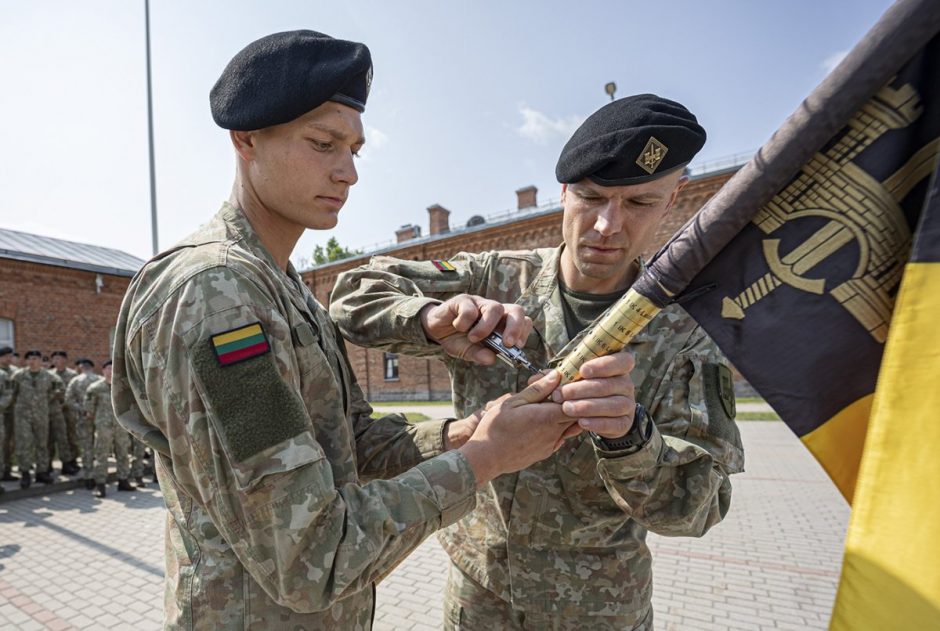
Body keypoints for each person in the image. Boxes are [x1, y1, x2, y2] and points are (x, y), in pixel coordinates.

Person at [111, 30, 608, 628]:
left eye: (355, 149)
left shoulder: (278, 284)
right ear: (246, 139)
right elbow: (312, 557)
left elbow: (350, 447)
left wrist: (467, 431)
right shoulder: (215, 297)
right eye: (323, 144)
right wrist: (483, 459)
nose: (347, 172)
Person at [331, 95, 746, 629]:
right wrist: (435, 317)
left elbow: (700, 505)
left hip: (598, 608)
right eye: (592, 198)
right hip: (479, 595)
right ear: (564, 193)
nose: (606, 227)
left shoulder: (684, 330)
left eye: (640, 204)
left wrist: (631, 439)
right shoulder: (494, 277)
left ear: (673, 201)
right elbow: (352, 293)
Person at [11, 350, 64, 488]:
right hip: (23, 416)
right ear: (26, 361)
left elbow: (59, 390)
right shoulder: (18, 376)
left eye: (35, 358)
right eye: (29, 359)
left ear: (41, 360)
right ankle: (25, 473)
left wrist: (46, 400)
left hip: (41, 415)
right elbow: (11, 394)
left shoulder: (49, 377)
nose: (32, 361)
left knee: (42, 444)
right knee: (24, 444)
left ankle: (42, 472)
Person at [84, 360, 134, 497]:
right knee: (102, 455)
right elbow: (89, 411)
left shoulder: (123, 387)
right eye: (108, 368)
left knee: (123, 453)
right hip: (103, 427)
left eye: (113, 369)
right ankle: (100, 485)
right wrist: (99, 422)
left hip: (120, 426)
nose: (111, 371)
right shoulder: (94, 388)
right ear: (103, 371)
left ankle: (123, 480)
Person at [67, 358, 98, 490]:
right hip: (98, 418)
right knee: (99, 447)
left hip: (82, 418)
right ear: (92, 367)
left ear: (81, 367)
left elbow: (68, 400)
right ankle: (99, 475)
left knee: (86, 447)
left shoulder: (75, 381)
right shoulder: (99, 379)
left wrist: (82, 409)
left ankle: (88, 476)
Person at [48, 350, 79, 475]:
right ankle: (47, 463)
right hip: (52, 411)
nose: (56, 361)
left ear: (65, 360)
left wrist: (65, 404)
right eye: (54, 359)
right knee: (49, 438)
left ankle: (72, 461)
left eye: (59, 358)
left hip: (68, 412)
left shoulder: (73, 375)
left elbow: (75, 394)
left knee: (70, 436)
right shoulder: (48, 375)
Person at [0, 346, 16, 482]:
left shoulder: (15, 372)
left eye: (11, 356)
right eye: (6, 356)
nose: (9, 359)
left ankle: (7, 470)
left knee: (10, 443)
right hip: (2, 413)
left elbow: (9, 395)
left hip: (12, 413)